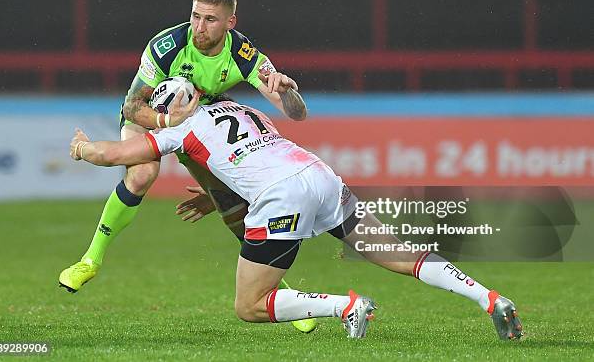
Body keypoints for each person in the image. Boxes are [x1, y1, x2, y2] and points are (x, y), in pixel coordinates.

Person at [68, 94, 524, 340]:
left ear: (170, 110)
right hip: (319, 174)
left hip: (281, 196)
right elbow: (247, 155)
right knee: (400, 255)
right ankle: (490, 299)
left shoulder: (181, 129)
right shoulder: (242, 109)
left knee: (250, 306)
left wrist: (84, 149)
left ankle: (345, 307)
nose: (157, 119)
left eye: (158, 112)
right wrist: (216, 197)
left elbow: (116, 155)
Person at [58, 0, 317, 333]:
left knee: (230, 205)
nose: (199, 26)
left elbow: (295, 113)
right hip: (152, 115)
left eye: (210, 19)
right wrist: (167, 121)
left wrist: (289, 94)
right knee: (140, 176)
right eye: (195, 16)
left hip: (200, 120)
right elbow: (132, 106)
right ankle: (90, 260)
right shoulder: (167, 46)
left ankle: (274, 292)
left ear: (230, 22)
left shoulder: (243, 53)